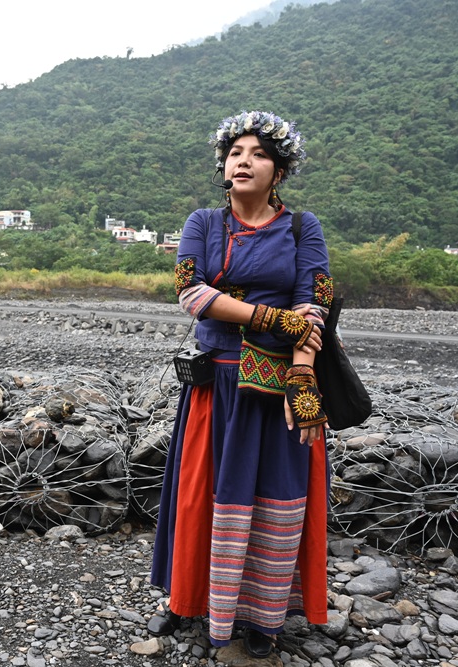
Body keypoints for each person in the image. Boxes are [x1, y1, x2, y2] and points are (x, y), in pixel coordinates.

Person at [148, 110, 332, 658]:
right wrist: (270, 318)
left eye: (258, 154)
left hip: (279, 384)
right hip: (215, 385)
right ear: (224, 166)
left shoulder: (302, 228)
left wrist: (303, 379)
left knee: (277, 494)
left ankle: (264, 616)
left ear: (280, 171)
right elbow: (191, 293)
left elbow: (315, 303)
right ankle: (187, 599)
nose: (243, 162)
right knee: (202, 495)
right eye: (235, 154)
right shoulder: (203, 223)